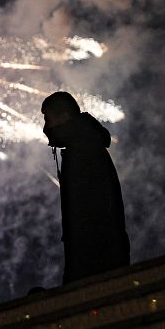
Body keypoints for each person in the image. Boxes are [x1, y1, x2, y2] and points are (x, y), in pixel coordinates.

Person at [41, 91, 130, 284]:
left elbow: (87, 210)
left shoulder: (82, 149)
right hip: (102, 253)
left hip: (94, 258)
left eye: (48, 120)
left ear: (64, 117)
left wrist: (78, 261)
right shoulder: (86, 143)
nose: (45, 128)